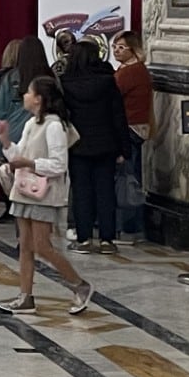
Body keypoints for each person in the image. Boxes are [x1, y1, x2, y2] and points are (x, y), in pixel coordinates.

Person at [0, 75, 94, 315]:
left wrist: (29, 162)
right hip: (24, 190)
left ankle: (80, 285)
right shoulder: (31, 124)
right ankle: (25, 295)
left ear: (39, 99)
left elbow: (58, 164)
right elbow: (21, 153)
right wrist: (6, 141)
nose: (25, 97)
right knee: (25, 246)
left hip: (45, 193)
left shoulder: (54, 126)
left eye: (28, 93)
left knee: (42, 246)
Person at [61, 39, 128, 251]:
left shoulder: (65, 83)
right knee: (105, 190)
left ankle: (83, 238)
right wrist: (123, 148)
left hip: (77, 144)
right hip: (106, 143)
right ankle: (107, 239)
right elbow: (118, 116)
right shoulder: (107, 81)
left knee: (81, 192)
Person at [0, 38, 52, 225]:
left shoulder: (10, 78)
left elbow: (0, 113)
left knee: (20, 188)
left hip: (14, 136)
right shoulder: (51, 78)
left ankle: (23, 234)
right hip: (45, 137)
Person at [112, 31, 154, 239]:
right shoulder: (128, 69)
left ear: (133, 49)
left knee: (128, 179)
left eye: (121, 47)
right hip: (133, 127)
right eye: (114, 47)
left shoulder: (132, 72)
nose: (116, 51)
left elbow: (112, 92)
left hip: (131, 128)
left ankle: (130, 227)